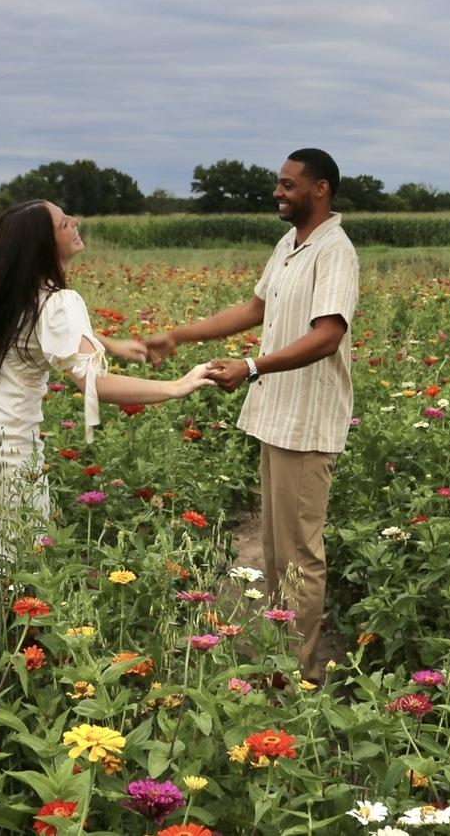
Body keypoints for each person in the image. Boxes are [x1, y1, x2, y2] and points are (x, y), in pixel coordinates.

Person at [145, 149, 358, 682]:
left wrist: (251, 365)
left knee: (300, 555)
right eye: (278, 184)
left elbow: (328, 335)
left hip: (306, 421)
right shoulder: (290, 245)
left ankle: (299, 674)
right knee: (275, 550)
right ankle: (278, 660)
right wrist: (181, 334)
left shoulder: (335, 252)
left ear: (321, 190)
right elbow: (255, 309)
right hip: (278, 416)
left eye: (289, 185)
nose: (278, 193)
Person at [0, 199, 214, 558]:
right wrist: (177, 386)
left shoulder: (2, 293)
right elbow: (96, 384)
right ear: (44, 246)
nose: (75, 221)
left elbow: (43, 333)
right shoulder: (60, 302)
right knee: (16, 557)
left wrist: (110, 344)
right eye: (64, 223)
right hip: (3, 445)